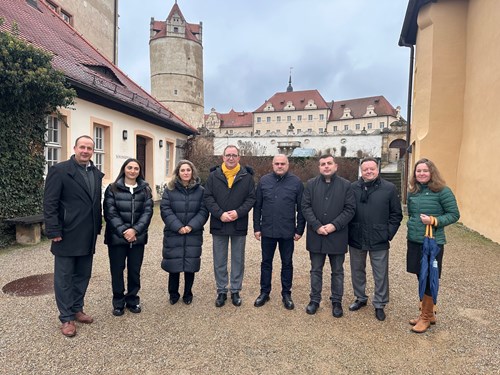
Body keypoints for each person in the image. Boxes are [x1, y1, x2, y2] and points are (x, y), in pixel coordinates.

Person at [43, 135, 104, 337]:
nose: (85, 151)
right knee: (64, 278)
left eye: (89, 148)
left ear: (92, 151)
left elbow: (95, 203)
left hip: (88, 234)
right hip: (66, 233)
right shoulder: (60, 171)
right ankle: (66, 317)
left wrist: (97, 228)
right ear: (75, 148)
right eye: (82, 147)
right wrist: (53, 230)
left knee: (83, 275)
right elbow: (50, 203)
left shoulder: (95, 173)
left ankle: (77, 309)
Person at [407, 158, 459, 333]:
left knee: (430, 277)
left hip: (433, 242)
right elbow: (412, 215)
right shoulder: (413, 192)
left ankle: (426, 317)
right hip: (415, 240)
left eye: (425, 171)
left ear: (432, 173)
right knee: (419, 275)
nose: (421, 173)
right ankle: (427, 312)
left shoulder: (443, 191)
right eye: (418, 171)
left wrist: (434, 220)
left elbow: (454, 214)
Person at [348, 158, 403, 321]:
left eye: (372, 168)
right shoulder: (352, 188)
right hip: (357, 236)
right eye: (366, 169)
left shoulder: (389, 188)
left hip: (379, 237)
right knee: (357, 270)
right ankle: (360, 297)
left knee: (380, 273)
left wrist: (388, 233)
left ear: (377, 169)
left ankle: (379, 303)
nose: (369, 171)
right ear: (361, 170)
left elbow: (396, 214)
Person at [301, 154, 355, 318]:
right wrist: (316, 225)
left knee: (337, 271)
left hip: (337, 235)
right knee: (316, 270)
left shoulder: (346, 185)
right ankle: (314, 300)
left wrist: (334, 226)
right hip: (316, 234)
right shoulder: (310, 184)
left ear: (335, 166)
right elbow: (305, 206)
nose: (326, 166)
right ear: (319, 167)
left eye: (329, 163)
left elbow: (350, 209)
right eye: (323, 164)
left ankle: (336, 301)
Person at [204, 145, 255, 307]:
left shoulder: (247, 176)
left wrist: (238, 213)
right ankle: (221, 290)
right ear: (223, 157)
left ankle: (235, 290)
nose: (231, 158)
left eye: (234, 155)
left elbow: (251, 199)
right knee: (219, 259)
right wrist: (220, 214)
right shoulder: (214, 176)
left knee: (238, 259)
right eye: (228, 155)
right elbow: (208, 197)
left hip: (238, 223)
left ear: (239, 157)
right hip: (219, 223)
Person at [253, 154, 305, 310]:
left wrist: (299, 229)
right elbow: (257, 207)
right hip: (267, 230)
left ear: (288, 165)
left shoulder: (296, 182)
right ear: (272, 164)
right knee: (266, 263)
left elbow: (302, 208)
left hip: (287, 231)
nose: (280, 166)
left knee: (287, 263)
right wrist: (256, 227)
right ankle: (264, 292)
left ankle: (286, 294)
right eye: (277, 163)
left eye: (283, 163)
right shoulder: (264, 181)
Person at [103, 158, 153, 316]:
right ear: (124, 169)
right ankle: (118, 302)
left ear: (139, 171)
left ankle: (132, 300)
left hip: (137, 238)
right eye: (130, 167)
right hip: (117, 237)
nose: (132, 171)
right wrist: (125, 231)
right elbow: (110, 212)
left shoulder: (145, 189)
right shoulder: (112, 188)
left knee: (134, 270)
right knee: (117, 270)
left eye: (136, 168)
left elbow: (148, 212)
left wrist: (135, 230)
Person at [160, 160, 209, 305]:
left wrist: (191, 226)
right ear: (178, 173)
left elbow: (203, 211)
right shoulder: (170, 189)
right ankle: (173, 293)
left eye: (188, 170)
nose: (186, 173)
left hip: (193, 233)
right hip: (174, 232)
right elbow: (165, 209)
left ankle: (188, 293)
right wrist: (178, 226)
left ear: (192, 172)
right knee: (173, 266)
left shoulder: (201, 191)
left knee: (190, 265)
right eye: (183, 170)